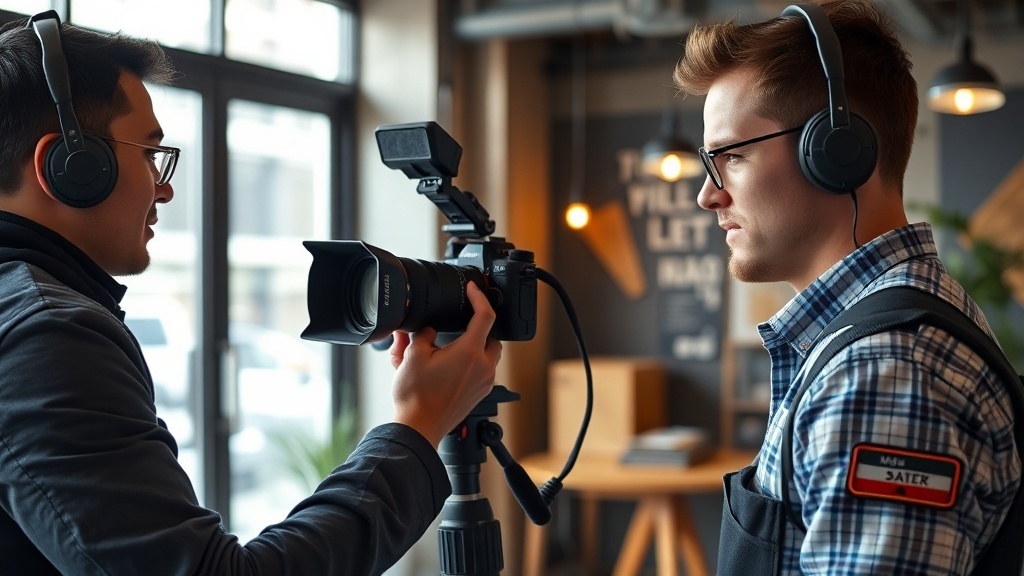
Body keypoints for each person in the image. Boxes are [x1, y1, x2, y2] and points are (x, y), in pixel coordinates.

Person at [0, 11, 501, 575]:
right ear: (69, 168)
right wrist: (417, 425)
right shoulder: (47, 336)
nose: (165, 188)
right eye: (149, 153)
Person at [673, 1, 1020, 574]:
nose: (707, 196)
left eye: (731, 156)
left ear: (836, 152)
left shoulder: (883, 374)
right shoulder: (885, 336)